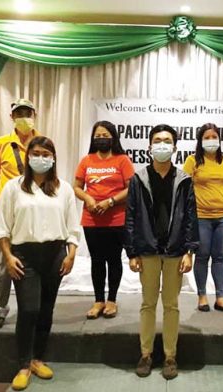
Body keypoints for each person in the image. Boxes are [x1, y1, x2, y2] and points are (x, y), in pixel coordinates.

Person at [0, 136, 81, 391]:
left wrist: (71, 253)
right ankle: (23, 364)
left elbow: (73, 226)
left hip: (54, 254)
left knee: (46, 309)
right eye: (36, 153)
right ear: (28, 156)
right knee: (28, 309)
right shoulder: (12, 188)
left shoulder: (63, 188)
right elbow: (1, 228)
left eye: (46, 153)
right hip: (23, 255)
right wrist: (8, 257)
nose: (40, 157)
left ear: (53, 158)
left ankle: (37, 359)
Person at [125, 124, 199, 380]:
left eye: (167, 141)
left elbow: (191, 217)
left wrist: (190, 251)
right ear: (149, 146)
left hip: (175, 250)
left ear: (175, 147)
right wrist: (131, 252)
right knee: (147, 304)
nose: (162, 145)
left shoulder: (184, 180)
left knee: (171, 305)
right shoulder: (138, 179)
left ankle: (170, 356)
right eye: (157, 140)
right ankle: (146, 354)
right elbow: (131, 216)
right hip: (147, 249)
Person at [0, 98, 40, 330]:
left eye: (27, 112)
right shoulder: (1, 143)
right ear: (12, 117)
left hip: (35, 208)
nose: (23, 117)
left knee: (33, 259)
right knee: (2, 260)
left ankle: (31, 310)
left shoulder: (41, 142)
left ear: (34, 114)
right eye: (19, 113)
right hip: (6, 210)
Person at [74, 120, 135, 319]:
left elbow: (131, 188)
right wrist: (89, 199)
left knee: (114, 259)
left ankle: (112, 300)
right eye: (97, 136)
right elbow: (76, 187)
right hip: (91, 220)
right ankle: (98, 300)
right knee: (97, 261)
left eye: (105, 136)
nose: (101, 139)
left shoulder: (122, 160)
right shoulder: (86, 160)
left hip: (117, 218)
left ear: (113, 137)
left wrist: (110, 201)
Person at [182, 123, 223, 313]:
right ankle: (202, 296)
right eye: (206, 137)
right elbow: (184, 190)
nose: (210, 140)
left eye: (213, 136)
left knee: (220, 258)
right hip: (200, 218)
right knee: (202, 256)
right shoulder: (192, 161)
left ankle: (221, 298)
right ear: (200, 140)